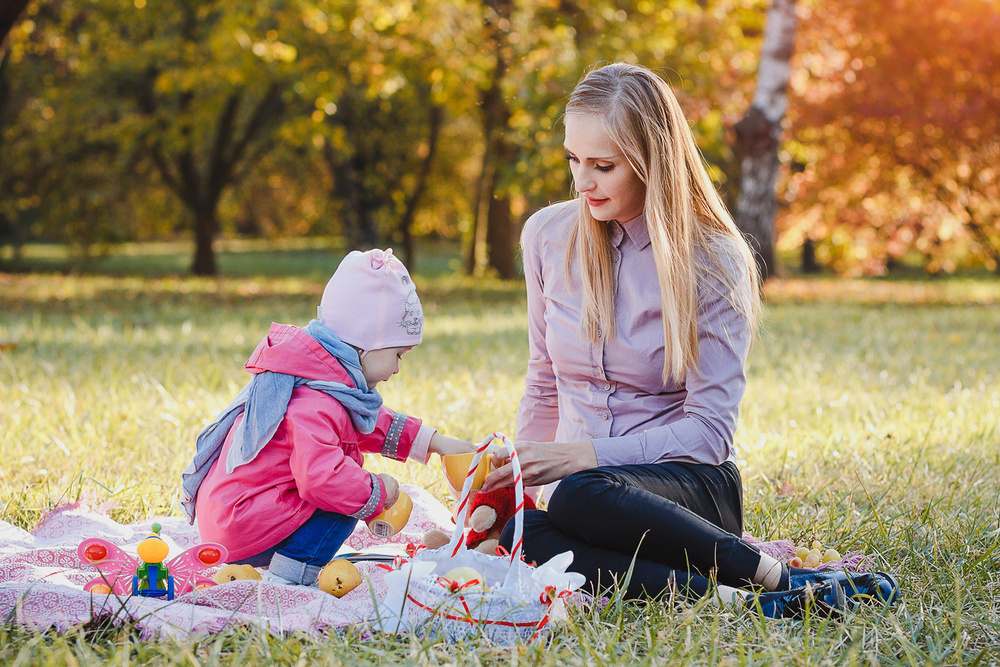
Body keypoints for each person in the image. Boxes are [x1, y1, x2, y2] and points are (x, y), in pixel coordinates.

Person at [484, 63, 898, 617]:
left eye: (603, 166)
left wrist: (583, 457)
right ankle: (741, 601)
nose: (583, 182)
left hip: (686, 490)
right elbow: (543, 378)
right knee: (512, 533)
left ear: (651, 160)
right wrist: (521, 478)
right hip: (581, 495)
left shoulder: (713, 261)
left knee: (584, 493)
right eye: (573, 159)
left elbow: (708, 431)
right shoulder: (546, 236)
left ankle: (774, 574)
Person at [180, 248, 473, 586]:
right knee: (344, 500)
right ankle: (288, 578)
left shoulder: (317, 375)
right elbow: (323, 480)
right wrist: (378, 491)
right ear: (366, 344)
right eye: (398, 354)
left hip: (234, 519)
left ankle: (286, 562)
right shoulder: (316, 400)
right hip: (244, 530)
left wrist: (437, 443)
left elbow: (366, 422)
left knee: (348, 490)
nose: (396, 368)